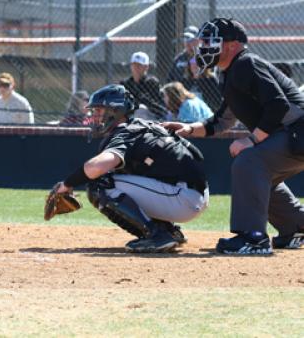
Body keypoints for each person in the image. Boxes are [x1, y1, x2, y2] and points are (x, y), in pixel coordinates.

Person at [164, 17, 304, 255]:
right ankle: (296, 227)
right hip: (291, 134)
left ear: (232, 45)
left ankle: (253, 238)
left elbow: (278, 105)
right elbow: (223, 120)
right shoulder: (229, 72)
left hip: (296, 132)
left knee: (250, 161)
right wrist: (189, 129)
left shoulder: (246, 63)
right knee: (261, 175)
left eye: (211, 41)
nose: (204, 47)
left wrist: (252, 140)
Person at [52, 84, 209, 253]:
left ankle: (157, 235)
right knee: (116, 175)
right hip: (189, 193)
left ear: (115, 111)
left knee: (99, 183)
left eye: (99, 111)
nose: (95, 116)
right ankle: (168, 231)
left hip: (182, 196)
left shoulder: (124, 132)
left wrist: (67, 184)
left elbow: (95, 167)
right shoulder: (141, 125)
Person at [120, 51, 167, 120]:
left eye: (139, 65)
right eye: (133, 64)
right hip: (129, 115)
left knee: (140, 108)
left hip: (151, 117)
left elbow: (159, 107)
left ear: (146, 67)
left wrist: (142, 99)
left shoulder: (152, 82)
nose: (135, 67)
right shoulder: (125, 83)